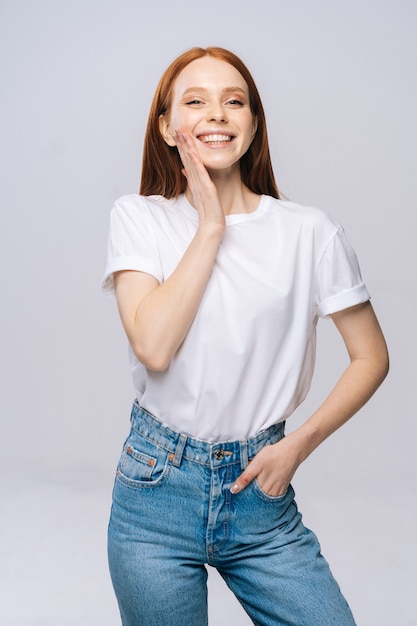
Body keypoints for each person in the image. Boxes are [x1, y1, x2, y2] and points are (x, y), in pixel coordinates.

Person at [102, 46, 389, 626]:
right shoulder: (140, 218)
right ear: (166, 126)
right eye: (196, 101)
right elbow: (154, 347)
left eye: (235, 101)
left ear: (254, 124)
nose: (218, 114)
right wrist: (211, 225)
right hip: (157, 489)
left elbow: (371, 357)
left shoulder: (308, 232)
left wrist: (298, 446)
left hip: (261, 488)